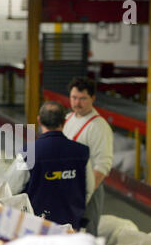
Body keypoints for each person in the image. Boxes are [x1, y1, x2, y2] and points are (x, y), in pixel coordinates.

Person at [25, 101, 95, 230]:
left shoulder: (27, 152)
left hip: (37, 227)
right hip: (71, 226)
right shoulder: (82, 152)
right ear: (64, 122)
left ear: (39, 120)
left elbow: (12, 187)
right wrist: (75, 208)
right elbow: (89, 188)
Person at [63, 77, 113, 236]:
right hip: (68, 186)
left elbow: (103, 165)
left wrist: (84, 196)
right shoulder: (68, 118)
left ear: (93, 98)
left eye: (83, 98)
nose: (77, 102)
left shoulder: (98, 127)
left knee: (86, 236)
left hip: (87, 192)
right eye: (74, 97)